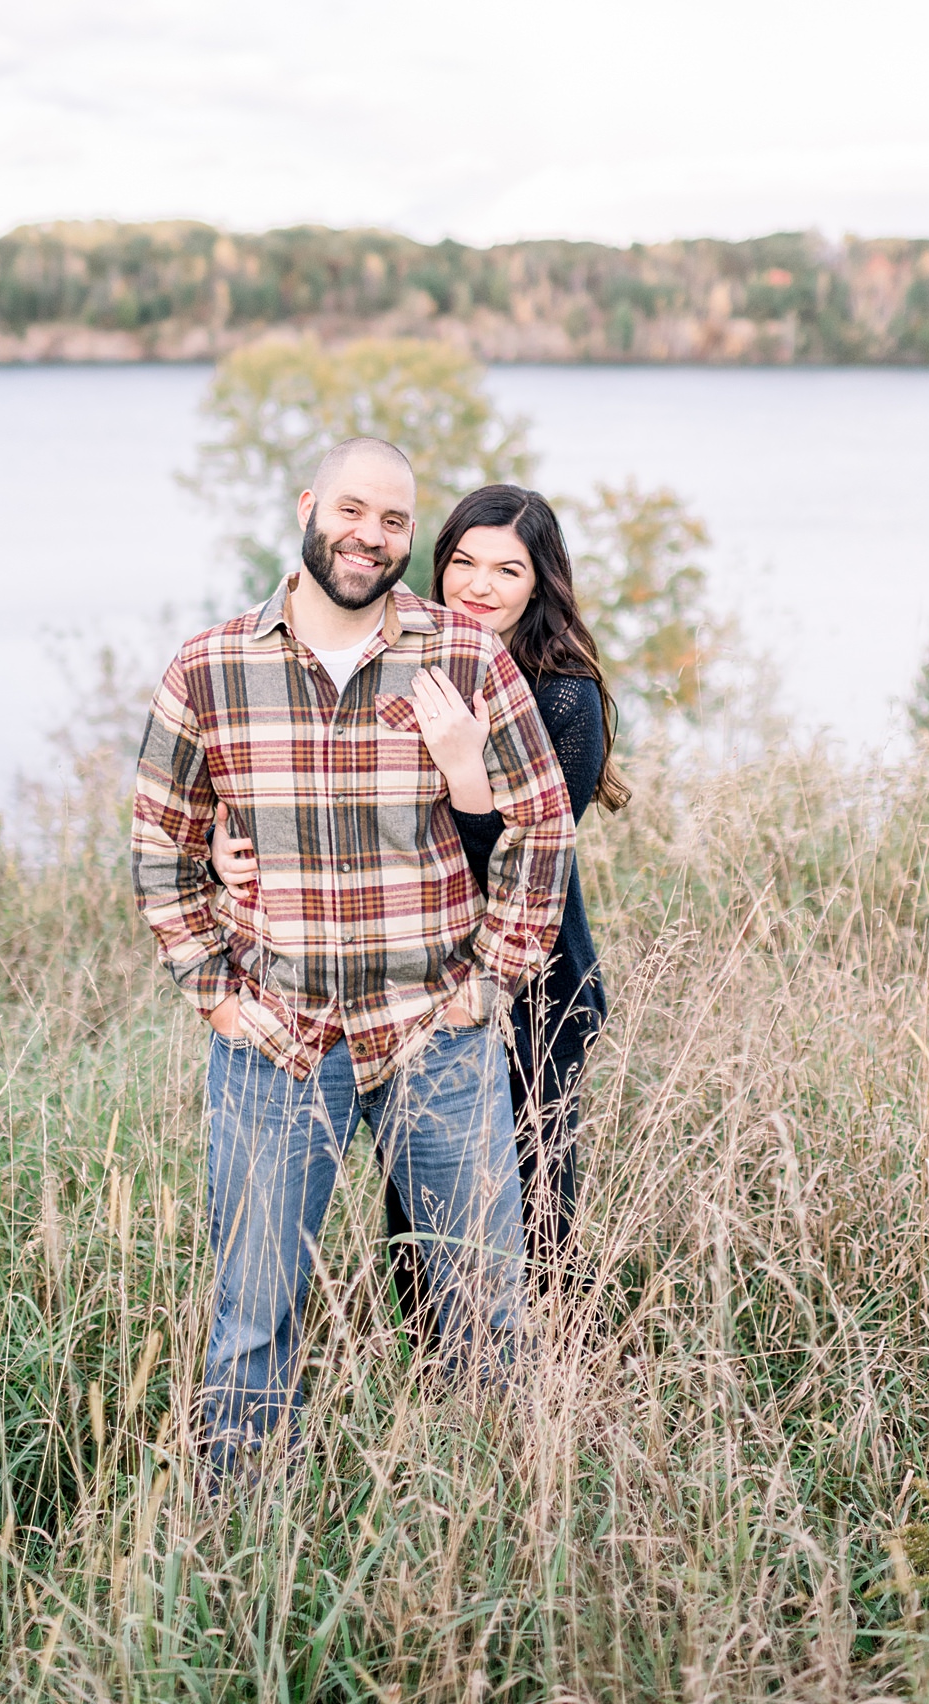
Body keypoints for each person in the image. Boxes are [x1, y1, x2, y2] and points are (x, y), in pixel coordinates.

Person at [131, 438, 575, 1476]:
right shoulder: (212, 666)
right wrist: (213, 993)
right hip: (275, 1042)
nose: (370, 536)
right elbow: (162, 837)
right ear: (308, 506)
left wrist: (489, 984)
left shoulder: (461, 656)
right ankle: (237, 1553)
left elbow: (541, 823)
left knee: (484, 1315)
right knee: (251, 1321)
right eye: (353, 510)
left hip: (435, 1036)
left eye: (393, 521)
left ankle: (495, 1528)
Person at [215, 482, 625, 1327]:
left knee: (527, 1218)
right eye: (464, 562)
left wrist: (465, 770)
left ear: (541, 583)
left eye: (508, 569)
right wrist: (230, 843)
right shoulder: (409, 663)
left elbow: (525, 859)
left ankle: (543, 1407)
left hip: (527, 988)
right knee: (421, 1221)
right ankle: (441, 1402)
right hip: (413, 985)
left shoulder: (561, 696)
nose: (480, 584)